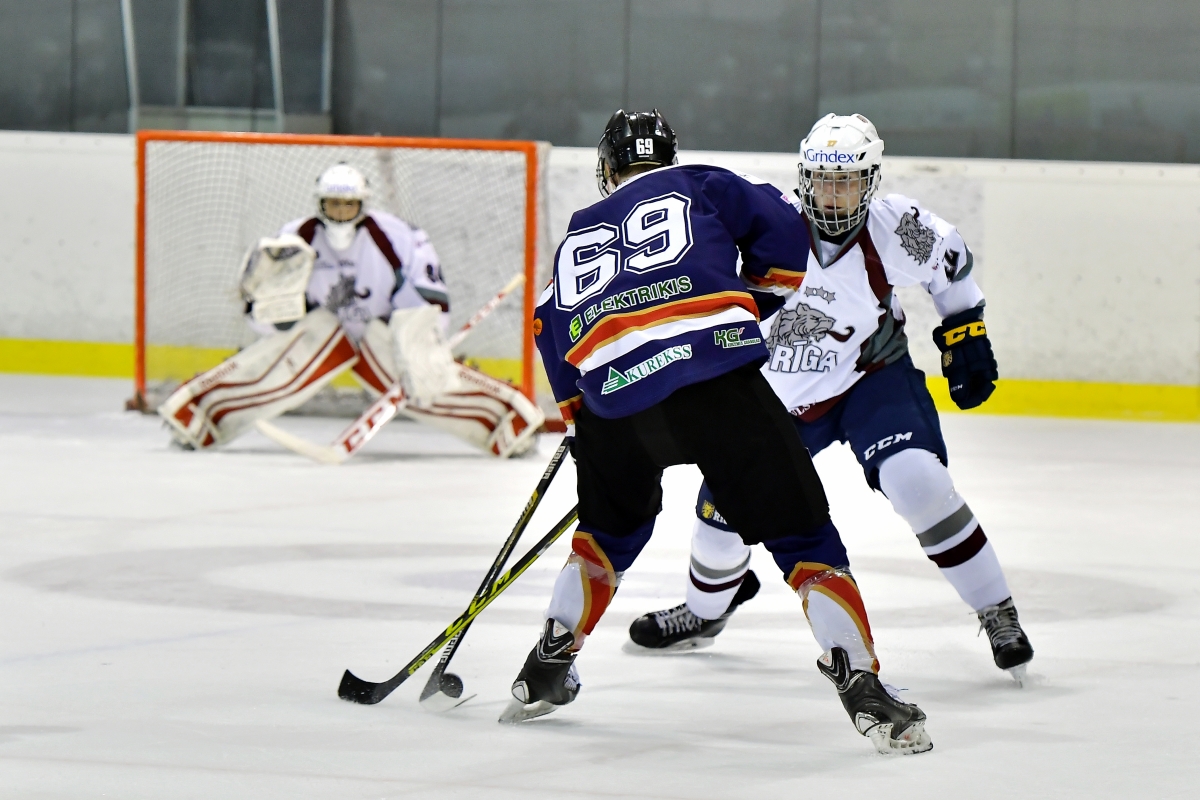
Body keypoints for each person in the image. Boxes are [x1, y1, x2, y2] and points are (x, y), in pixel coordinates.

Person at [503, 109, 933, 756]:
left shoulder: (576, 235)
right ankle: (863, 687)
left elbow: (547, 324)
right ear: (668, 158)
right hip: (716, 380)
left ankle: (547, 662)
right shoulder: (701, 181)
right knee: (802, 536)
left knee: (605, 537)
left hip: (616, 402)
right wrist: (749, 301)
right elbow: (785, 236)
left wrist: (579, 420)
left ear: (606, 169)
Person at [627, 113, 1034, 684]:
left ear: (870, 181)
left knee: (917, 480)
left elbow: (951, 263)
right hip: (778, 399)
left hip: (871, 380)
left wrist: (964, 328)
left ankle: (997, 611)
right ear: (805, 177)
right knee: (719, 523)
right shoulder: (766, 225)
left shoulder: (897, 227)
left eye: (846, 181)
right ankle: (704, 612)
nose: (832, 193)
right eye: (822, 179)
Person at [158, 163, 542, 457]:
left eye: (349, 204)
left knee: (426, 379)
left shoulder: (395, 235)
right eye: (333, 203)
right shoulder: (294, 238)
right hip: (321, 336)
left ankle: (510, 423)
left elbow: (428, 299)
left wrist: (419, 344)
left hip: (382, 336)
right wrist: (278, 318)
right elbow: (266, 312)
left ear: (362, 204)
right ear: (320, 203)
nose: (341, 211)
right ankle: (196, 416)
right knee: (269, 369)